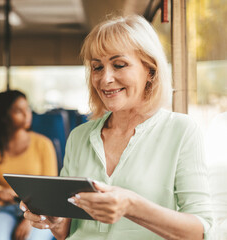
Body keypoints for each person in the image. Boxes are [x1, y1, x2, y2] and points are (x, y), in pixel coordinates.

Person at [21, 15, 213, 240]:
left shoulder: (182, 130)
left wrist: (131, 205)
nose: (105, 79)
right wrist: (53, 220)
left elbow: (200, 232)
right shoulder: (79, 137)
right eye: (97, 67)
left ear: (150, 71)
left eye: (119, 65)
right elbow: (67, 231)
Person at [0, 90, 58, 240]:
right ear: (3, 117)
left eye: (27, 108)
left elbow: (49, 186)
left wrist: (29, 219)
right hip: (5, 209)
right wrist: (3, 193)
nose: (27, 114)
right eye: (18, 111)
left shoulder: (43, 144)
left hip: (40, 210)